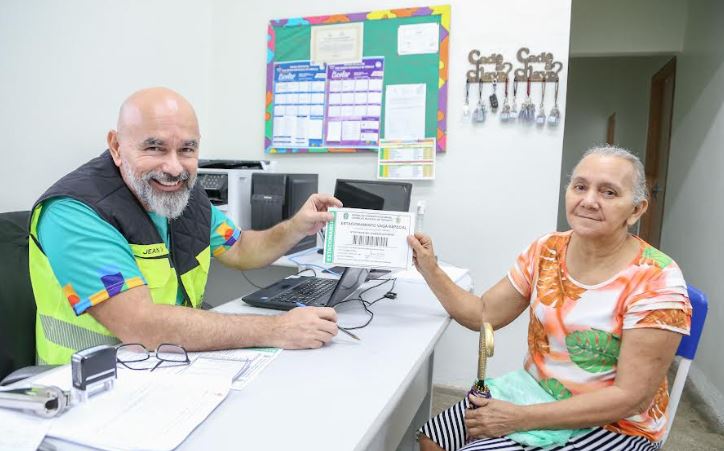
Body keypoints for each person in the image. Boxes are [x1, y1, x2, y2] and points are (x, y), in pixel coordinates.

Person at [30, 87, 342, 365]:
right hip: (83, 387)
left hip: (168, 364)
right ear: (116, 146)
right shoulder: (74, 212)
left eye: (187, 149)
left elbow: (243, 249)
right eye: (155, 148)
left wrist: (298, 226)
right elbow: (140, 325)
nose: (174, 167)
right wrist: (276, 329)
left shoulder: (184, 197)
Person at [408, 146, 691, 451]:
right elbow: (483, 314)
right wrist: (430, 268)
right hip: (535, 393)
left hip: (615, 426)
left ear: (636, 210)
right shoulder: (547, 249)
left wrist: (519, 418)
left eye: (609, 192)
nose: (589, 201)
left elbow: (631, 398)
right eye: (580, 187)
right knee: (431, 438)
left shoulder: (658, 280)